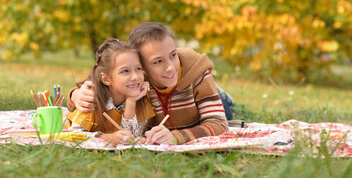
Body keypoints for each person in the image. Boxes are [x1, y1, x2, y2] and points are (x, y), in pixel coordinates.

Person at [68, 22, 229, 145]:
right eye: (158, 61)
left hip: (202, 105)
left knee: (226, 108)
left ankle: (225, 95)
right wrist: (75, 95)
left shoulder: (197, 70)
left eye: (173, 55)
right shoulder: (135, 77)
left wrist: (176, 137)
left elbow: (219, 123)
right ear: (141, 66)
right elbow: (97, 84)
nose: (170, 67)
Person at [65, 38, 155, 146]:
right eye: (125, 71)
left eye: (138, 68)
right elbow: (74, 135)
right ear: (106, 79)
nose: (135, 77)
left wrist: (131, 101)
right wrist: (107, 138)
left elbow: (131, 138)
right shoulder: (92, 99)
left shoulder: (141, 98)